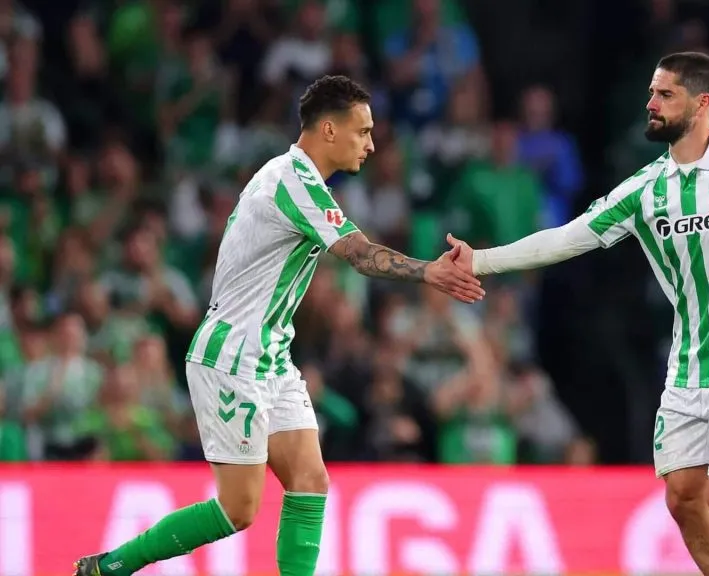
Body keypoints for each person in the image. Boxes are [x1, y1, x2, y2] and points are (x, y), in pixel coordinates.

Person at [446, 52, 709, 576]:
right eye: (651, 92)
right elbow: (568, 238)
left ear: (702, 102)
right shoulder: (646, 188)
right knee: (684, 498)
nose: (651, 103)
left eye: (665, 94)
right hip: (688, 367)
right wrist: (481, 260)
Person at [73, 75, 485, 576]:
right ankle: (109, 567)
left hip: (271, 356)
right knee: (239, 510)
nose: (372, 144)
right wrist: (428, 271)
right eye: (363, 131)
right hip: (232, 357)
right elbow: (356, 254)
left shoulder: (298, 181)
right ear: (328, 130)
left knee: (310, 480)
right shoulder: (293, 181)